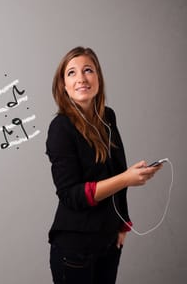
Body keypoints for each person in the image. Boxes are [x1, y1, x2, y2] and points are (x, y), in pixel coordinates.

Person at [46, 47, 162, 284]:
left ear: (98, 77)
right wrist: (127, 179)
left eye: (88, 70)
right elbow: (71, 195)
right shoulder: (60, 128)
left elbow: (118, 172)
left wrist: (123, 225)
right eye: (71, 73)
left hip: (108, 242)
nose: (81, 78)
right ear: (63, 86)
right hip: (75, 248)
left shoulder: (108, 117)